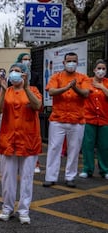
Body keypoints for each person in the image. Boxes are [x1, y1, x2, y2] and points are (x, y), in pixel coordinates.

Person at [0, 62, 42, 225]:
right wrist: (2, 90)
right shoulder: (6, 91)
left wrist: (27, 88)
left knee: (27, 178)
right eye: (12, 71)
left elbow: (37, 106)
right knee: (8, 178)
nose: (14, 73)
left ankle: (24, 210)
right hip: (8, 141)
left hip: (28, 140)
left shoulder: (33, 90)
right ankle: (7, 208)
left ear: (24, 74)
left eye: (18, 71)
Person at [43, 52, 90, 188]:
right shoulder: (56, 77)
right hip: (58, 119)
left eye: (74, 61)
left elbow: (86, 93)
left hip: (77, 120)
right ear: (63, 63)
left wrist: (74, 87)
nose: (71, 63)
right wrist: (66, 88)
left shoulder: (83, 78)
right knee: (54, 148)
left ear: (77, 62)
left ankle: (70, 177)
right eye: (69, 61)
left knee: (74, 150)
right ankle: (51, 177)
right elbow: (51, 91)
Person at [79, 59, 108, 179]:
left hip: (105, 119)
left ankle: (105, 170)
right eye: (99, 68)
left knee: (104, 146)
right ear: (94, 70)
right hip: (89, 118)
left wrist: (102, 87)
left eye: (103, 69)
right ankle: (87, 169)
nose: (101, 71)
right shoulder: (87, 81)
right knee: (88, 145)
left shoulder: (106, 83)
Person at [16, 52, 43, 174]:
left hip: (31, 103)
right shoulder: (15, 73)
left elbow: (38, 93)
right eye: (24, 59)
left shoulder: (35, 75)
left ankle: (35, 162)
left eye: (28, 59)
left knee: (32, 136)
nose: (27, 61)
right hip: (18, 106)